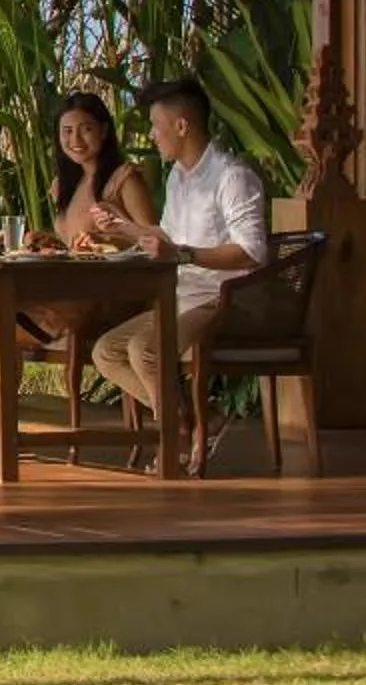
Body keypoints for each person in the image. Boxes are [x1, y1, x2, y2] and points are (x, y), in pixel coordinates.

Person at [88, 76, 272, 469]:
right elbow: (168, 238)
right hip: (184, 294)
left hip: (225, 298)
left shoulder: (232, 177)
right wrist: (123, 227)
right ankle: (189, 419)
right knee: (106, 351)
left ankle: (178, 436)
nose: (153, 136)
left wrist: (185, 255)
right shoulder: (178, 178)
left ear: (182, 126)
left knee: (145, 349)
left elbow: (253, 252)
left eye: (156, 126)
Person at [18, 93, 159, 348]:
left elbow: (155, 241)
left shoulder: (124, 179)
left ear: (104, 131)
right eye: (67, 131)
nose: (75, 140)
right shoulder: (63, 185)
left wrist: (110, 238)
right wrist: (49, 241)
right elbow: (73, 243)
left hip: (111, 295)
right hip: (71, 287)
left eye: (85, 130)